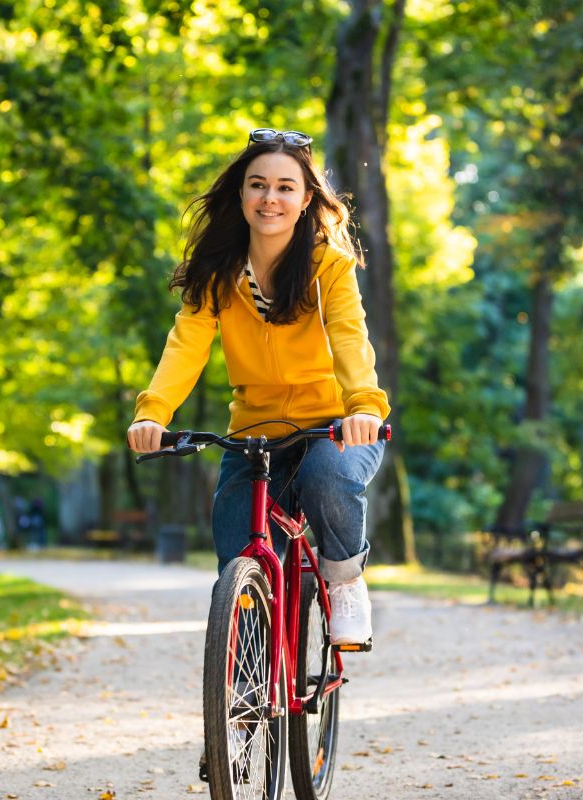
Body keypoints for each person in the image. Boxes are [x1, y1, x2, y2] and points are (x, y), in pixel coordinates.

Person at [126, 127, 389, 647]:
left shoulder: (329, 268)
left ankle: (343, 580)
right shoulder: (217, 275)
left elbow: (349, 338)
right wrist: (152, 413)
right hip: (255, 430)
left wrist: (361, 405)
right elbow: (186, 345)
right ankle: (246, 673)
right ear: (241, 194)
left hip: (335, 427)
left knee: (326, 478)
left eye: (286, 187)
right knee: (236, 543)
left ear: (307, 197)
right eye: (258, 185)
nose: (271, 198)